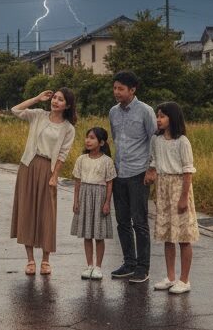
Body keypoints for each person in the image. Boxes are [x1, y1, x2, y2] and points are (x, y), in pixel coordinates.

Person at [11, 87, 77, 275]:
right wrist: (37, 98)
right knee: (27, 211)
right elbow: (15, 110)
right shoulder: (38, 115)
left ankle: (46, 260)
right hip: (28, 166)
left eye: (60, 99)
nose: (55, 101)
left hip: (48, 169)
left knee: (47, 213)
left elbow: (63, 155)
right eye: (54, 98)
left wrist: (55, 176)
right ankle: (30, 259)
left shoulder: (68, 128)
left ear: (68, 105)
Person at [109, 70, 157, 283]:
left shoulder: (146, 111)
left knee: (140, 221)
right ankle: (129, 262)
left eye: (121, 88)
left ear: (132, 89)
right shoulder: (113, 112)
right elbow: (115, 139)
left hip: (139, 173)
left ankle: (143, 267)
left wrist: (152, 168)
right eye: (115, 88)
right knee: (122, 221)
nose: (116, 92)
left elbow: (154, 140)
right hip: (119, 172)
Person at [150, 101, 200, 294]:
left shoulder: (182, 141)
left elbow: (188, 172)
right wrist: (153, 183)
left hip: (179, 187)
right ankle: (170, 277)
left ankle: (184, 280)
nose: (158, 120)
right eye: (157, 116)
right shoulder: (157, 140)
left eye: (162, 116)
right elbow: (154, 163)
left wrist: (183, 198)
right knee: (167, 236)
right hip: (163, 187)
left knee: (183, 236)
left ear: (173, 118)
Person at [71, 127, 117, 280]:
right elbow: (77, 182)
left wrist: (107, 203)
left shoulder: (107, 161)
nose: (88, 140)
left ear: (101, 142)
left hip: (99, 197)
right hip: (85, 196)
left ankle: (98, 267)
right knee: (87, 234)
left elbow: (110, 183)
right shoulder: (81, 159)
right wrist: (76, 200)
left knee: (99, 235)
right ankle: (89, 265)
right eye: (87, 137)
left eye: (92, 138)